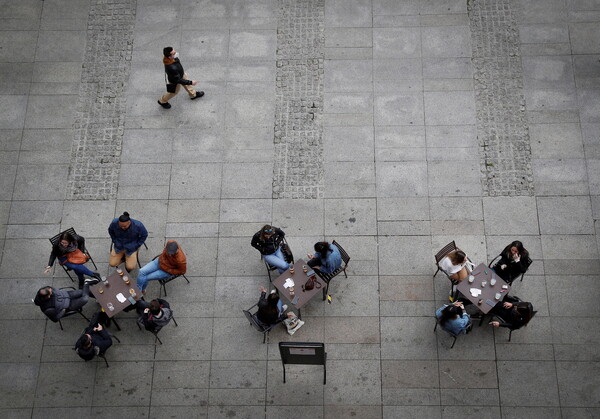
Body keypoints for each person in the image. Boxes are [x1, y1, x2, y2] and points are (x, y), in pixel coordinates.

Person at [34, 280, 98, 322]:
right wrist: (63, 311)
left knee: (84, 291)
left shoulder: (44, 289)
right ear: (48, 296)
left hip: (67, 294)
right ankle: (86, 284)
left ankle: (98, 298)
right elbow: (55, 319)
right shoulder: (47, 309)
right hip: (69, 305)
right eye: (51, 292)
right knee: (85, 299)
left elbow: (53, 289)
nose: (51, 290)